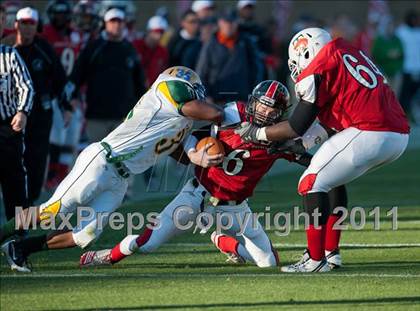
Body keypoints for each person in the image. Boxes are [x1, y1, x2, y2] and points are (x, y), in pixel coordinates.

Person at [79, 80, 347, 269]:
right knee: (147, 243)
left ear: (280, 114)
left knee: (269, 263)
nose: (265, 111)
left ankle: (224, 241)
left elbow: (310, 160)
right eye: (262, 105)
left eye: (272, 108)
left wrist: (327, 165)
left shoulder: (280, 136)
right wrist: (197, 153)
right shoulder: (231, 114)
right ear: (253, 101)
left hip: (237, 208)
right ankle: (105, 256)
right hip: (199, 195)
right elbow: (187, 132)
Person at [0, 66, 224, 273]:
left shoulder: (180, 120)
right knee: (52, 211)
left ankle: (20, 249)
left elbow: (179, 154)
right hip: (103, 161)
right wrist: (232, 117)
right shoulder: (167, 89)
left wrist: (201, 155)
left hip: (121, 179)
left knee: (84, 236)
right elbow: (214, 114)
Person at [235, 27, 410, 272]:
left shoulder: (320, 66)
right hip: (397, 135)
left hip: (371, 131)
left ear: (306, 52)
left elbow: (297, 125)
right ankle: (331, 253)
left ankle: (315, 259)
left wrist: (257, 133)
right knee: (332, 179)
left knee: (311, 182)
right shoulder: (345, 51)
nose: (296, 67)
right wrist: (301, 145)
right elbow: (331, 123)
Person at [2, 7, 71, 205]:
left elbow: (60, 79)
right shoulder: (5, 48)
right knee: (12, 159)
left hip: (40, 114)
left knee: (36, 160)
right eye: (24, 23)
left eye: (32, 23)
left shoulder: (44, 49)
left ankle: (29, 202)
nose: (28, 27)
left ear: (37, 26)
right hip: (11, 114)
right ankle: (14, 204)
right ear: (16, 24)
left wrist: (66, 106)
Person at [66, 8, 145, 143]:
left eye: (120, 21)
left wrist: (141, 109)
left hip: (123, 118)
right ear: (105, 23)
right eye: (112, 21)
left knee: (120, 160)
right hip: (96, 116)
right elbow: (77, 76)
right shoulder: (94, 48)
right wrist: (71, 100)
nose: (116, 25)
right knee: (97, 158)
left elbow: (139, 83)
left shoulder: (130, 49)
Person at [42, 0, 83, 188]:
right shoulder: (46, 33)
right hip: (52, 88)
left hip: (72, 88)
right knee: (56, 132)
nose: (60, 18)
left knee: (72, 133)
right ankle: (51, 172)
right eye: (57, 14)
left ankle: (63, 172)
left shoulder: (75, 34)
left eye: (63, 14)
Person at [0, 5, 34, 221]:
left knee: (14, 179)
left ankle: (18, 232)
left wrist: (22, 112)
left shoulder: (10, 55)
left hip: (6, 127)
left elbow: (26, 86)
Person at [196, 8, 263, 104]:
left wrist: (254, 93)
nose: (229, 25)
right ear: (219, 23)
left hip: (242, 99)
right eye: (226, 21)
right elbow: (201, 72)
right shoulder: (210, 44)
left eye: (232, 21)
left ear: (237, 23)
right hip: (217, 100)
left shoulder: (246, 42)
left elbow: (256, 69)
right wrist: (206, 95)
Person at [133, 16, 169, 88]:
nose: (159, 35)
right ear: (149, 31)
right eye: (156, 31)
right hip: (135, 88)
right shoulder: (136, 46)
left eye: (161, 32)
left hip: (153, 90)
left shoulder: (163, 52)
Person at [396, 10, 420, 117]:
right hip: (405, 67)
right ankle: (403, 115)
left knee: (414, 94)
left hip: (417, 68)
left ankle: (412, 114)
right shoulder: (401, 31)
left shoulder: (418, 32)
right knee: (404, 94)